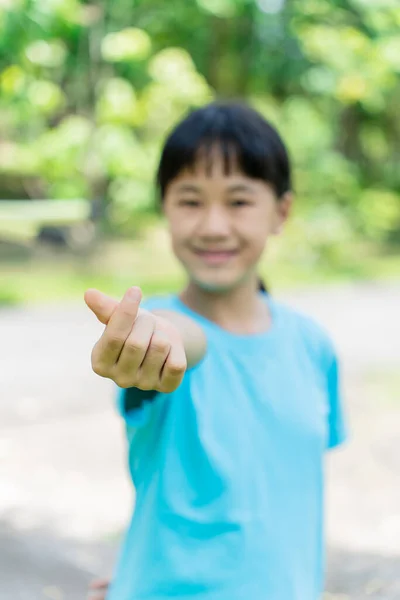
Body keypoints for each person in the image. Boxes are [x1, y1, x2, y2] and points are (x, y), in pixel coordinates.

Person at [85, 102, 347, 600]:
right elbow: (186, 340)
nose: (213, 226)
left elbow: (287, 496)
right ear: (164, 207)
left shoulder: (313, 345)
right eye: (190, 201)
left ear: (281, 212)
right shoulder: (159, 334)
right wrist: (155, 337)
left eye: (239, 201)